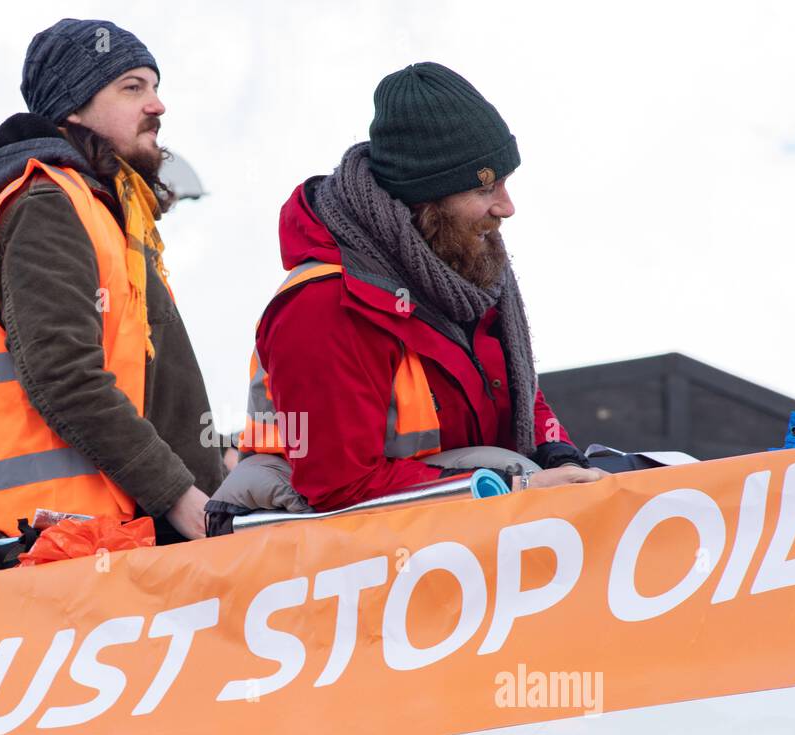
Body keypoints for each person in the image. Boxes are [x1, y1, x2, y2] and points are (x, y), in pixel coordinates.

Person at [219, 62, 601, 524]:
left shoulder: (458, 263)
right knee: (513, 469)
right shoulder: (324, 305)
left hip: (425, 531)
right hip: (306, 548)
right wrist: (517, 488)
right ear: (426, 196)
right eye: (486, 187)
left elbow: (516, 391)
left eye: (506, 181)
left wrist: (557, 453)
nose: (507, 207)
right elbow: (341, 488)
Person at [0, 18, 223, 543]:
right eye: (133, 88)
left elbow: (153, 389)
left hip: (120, 537)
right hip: (81, 549)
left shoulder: (114, 216)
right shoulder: (48, 205)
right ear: (72, 108)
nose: (157, 105)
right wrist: (178, 495)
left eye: (156, 88)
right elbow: (64, 375)